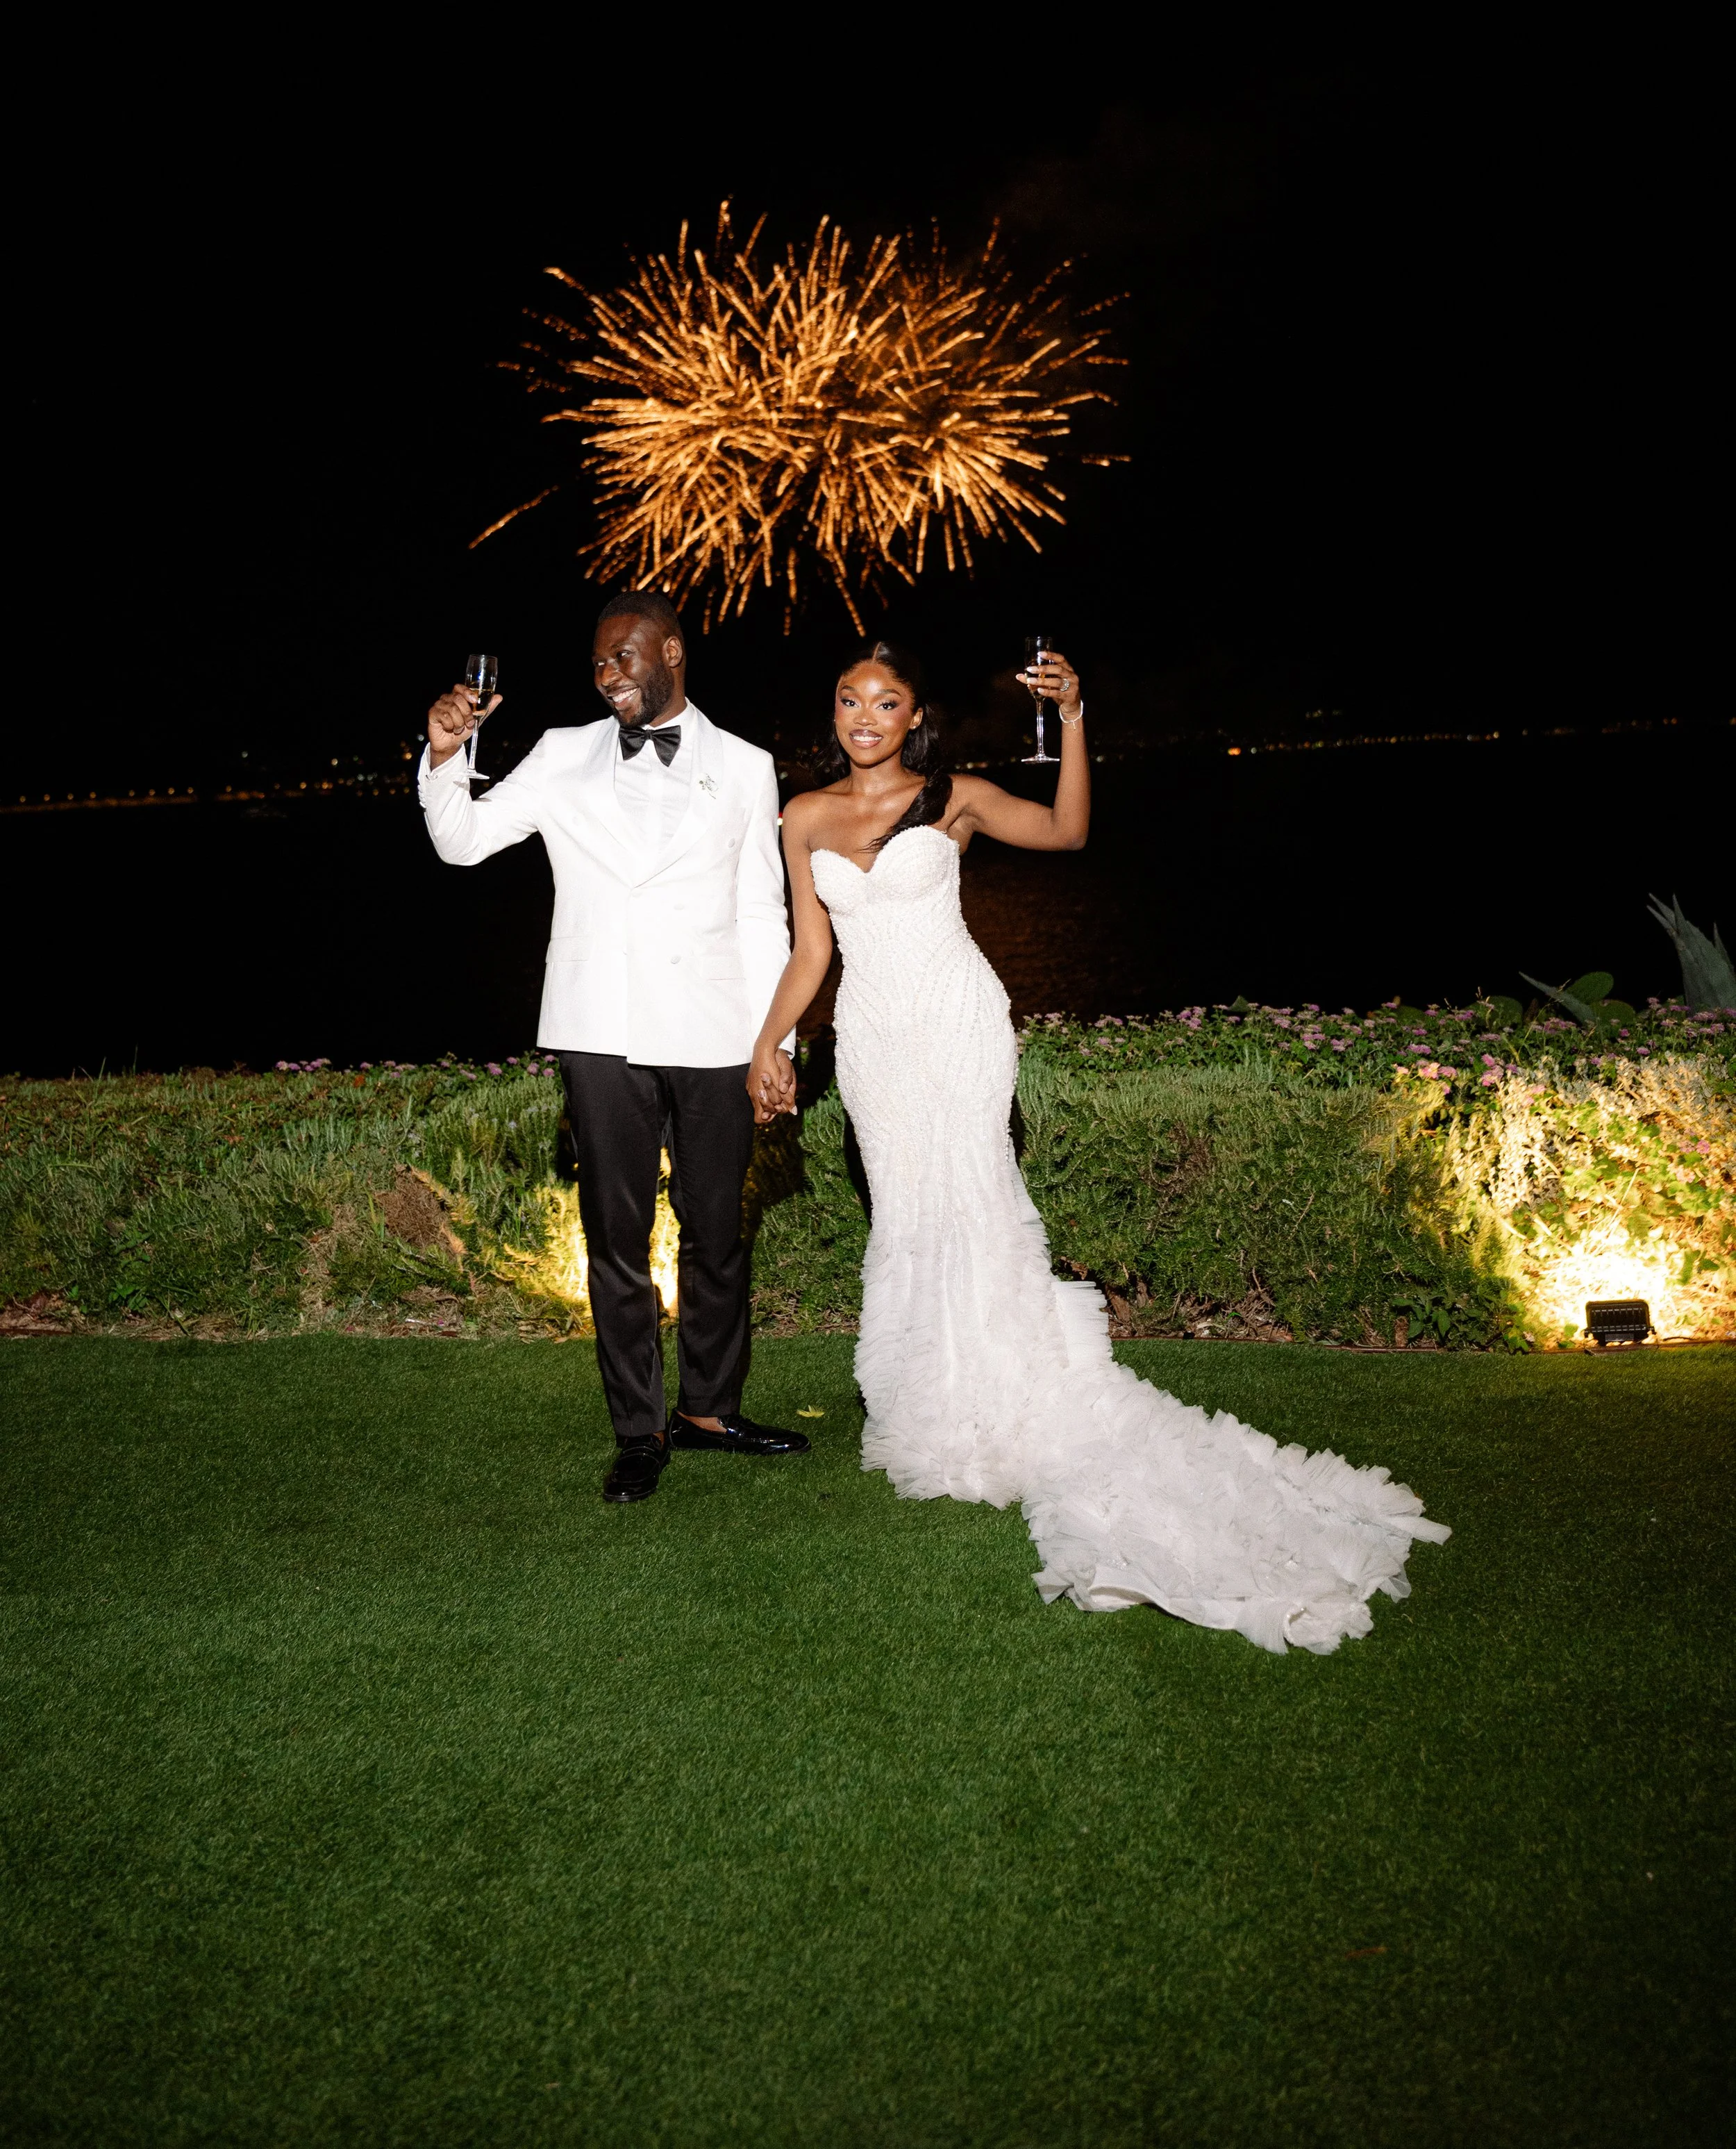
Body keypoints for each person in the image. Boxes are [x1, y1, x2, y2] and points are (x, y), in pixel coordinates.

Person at [748, 638, 1449, 1654]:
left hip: (958, 1026)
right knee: (906, 1212)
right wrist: (768, 1041)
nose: (865, 715)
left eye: (886, 701)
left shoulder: (955, 798)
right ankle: (932, 1400)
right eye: (850, 698)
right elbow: (812, 948)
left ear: (914, 716)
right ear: (834, 712)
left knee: (976, 1197)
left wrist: (1074, 716)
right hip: (874, 1044)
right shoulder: (804, 815)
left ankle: (1006, 1394)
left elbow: (1068, 831)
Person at [419, 592, 810, 1504]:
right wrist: (444, 756)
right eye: (597, 662)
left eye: (623, 656)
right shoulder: (561, 753)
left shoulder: (746, 765)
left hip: (716, 1030)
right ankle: (639, 1430)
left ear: (671, 651)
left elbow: (763, 912)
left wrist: (775, 1041)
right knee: (616, 1238)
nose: (607, 676)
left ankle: (709, 1409)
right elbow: (463, 843)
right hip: (598, 1031)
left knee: (717, 1232)